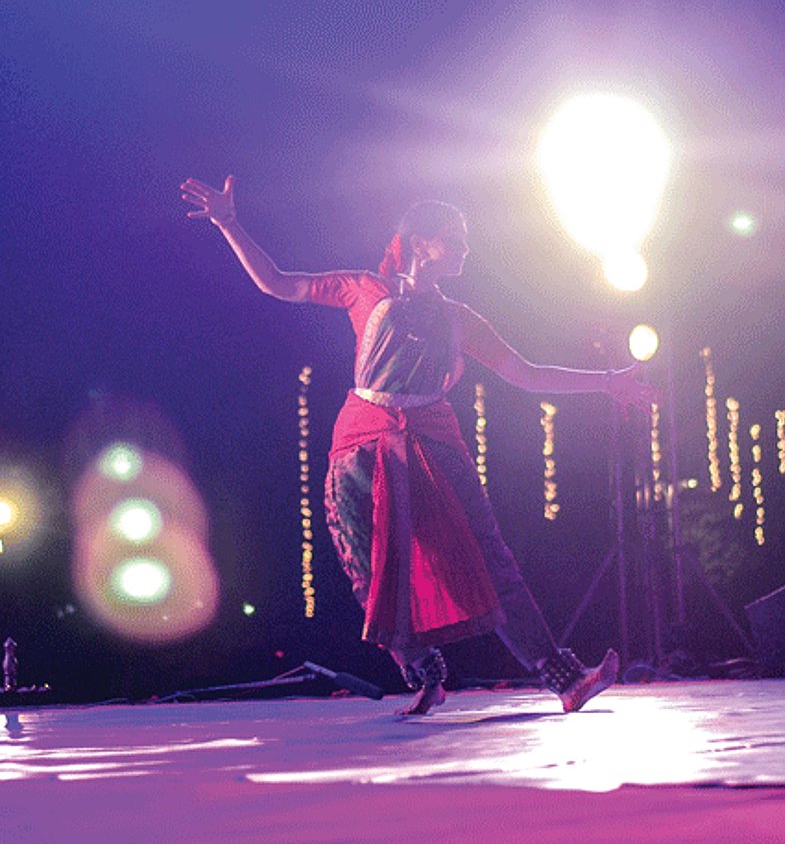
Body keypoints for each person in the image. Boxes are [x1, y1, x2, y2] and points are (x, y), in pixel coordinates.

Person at [181, 174, 656, 715]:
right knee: (373, 567)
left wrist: (608, 381)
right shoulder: (362, 289)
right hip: (360, 444)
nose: (465, 248)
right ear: (420, 243)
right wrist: (228, 222)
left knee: (488, 557)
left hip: (434, 443)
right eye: (454, 236)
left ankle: (565, 678)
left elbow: (525, 373)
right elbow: (277, 283)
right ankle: (424, 675)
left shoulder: (459, 319)